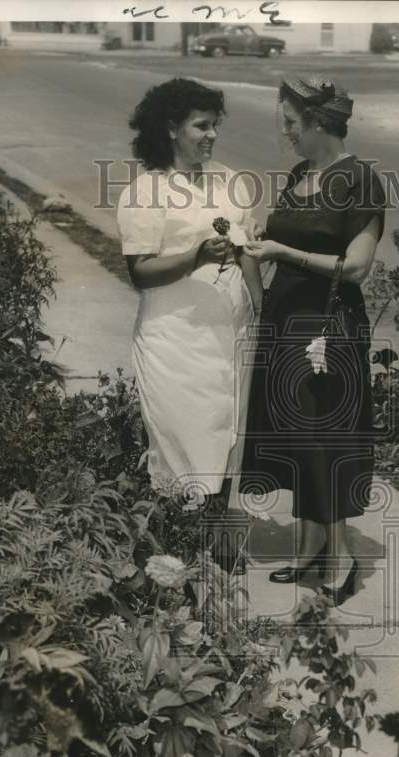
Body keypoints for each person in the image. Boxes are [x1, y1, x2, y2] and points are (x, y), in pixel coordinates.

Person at [239, 77, 386, 606]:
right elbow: (286, 236)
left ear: (320, 124)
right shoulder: (303, 174)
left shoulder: (360, 181)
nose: (286, 133)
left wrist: (283, 252)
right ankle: (310, 553)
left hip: (328, 326)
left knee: (327, 435)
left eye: (292, 123)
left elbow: (356, 268)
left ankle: (341, 559)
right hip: (285, 320)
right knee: (298, 435)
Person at [116, 79, 264, 530]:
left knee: (224, 433)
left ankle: (212, 544)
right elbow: (140, 272)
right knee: (183, 434)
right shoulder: (146, 192)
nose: (212, 135)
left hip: (229, 335)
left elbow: (247, 257)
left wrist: (264, 314)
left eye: (215, 125)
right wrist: (194, 257)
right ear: (171, 128)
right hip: (174, 337)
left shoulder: (231, 181)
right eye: (201, 126)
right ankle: (178, 541)